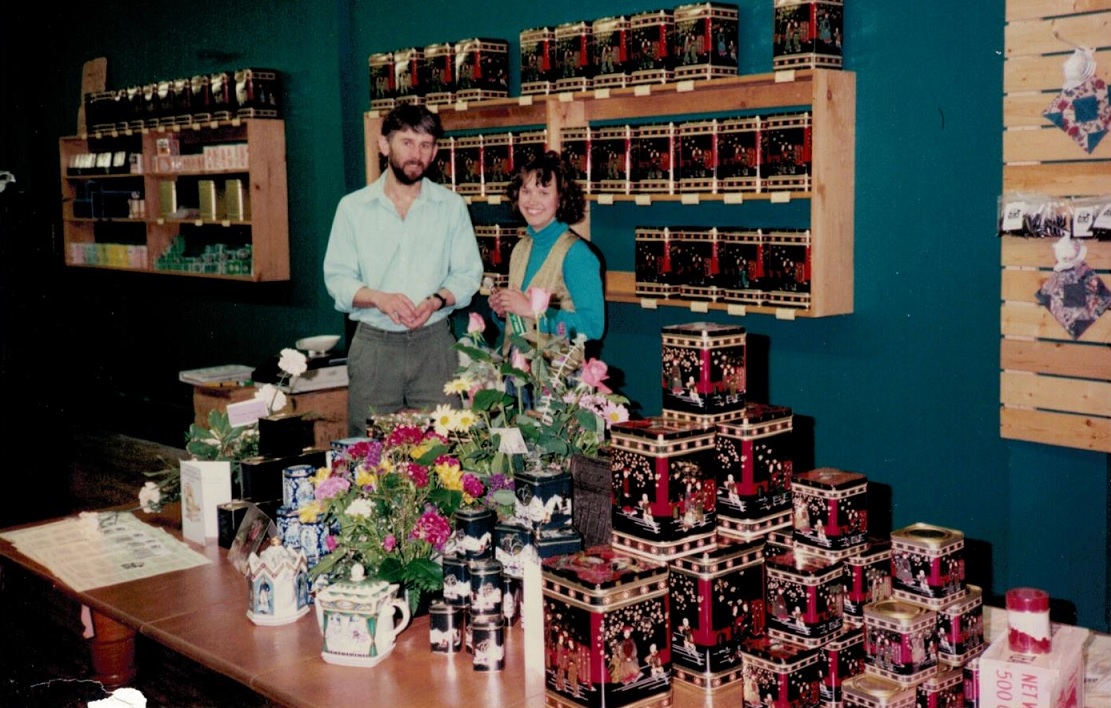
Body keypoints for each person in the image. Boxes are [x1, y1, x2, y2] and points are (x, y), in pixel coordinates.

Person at [324, 104, 483, 435]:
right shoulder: (353, 209)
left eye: (426, 145)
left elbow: (468, 274)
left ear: (436, 151)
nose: (417, 154)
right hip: (374, 347)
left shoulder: (450, 206)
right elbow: (337, 279)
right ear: (384, 145)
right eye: (407, 142)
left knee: (446, 446)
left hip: (435, 346)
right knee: (367, 454)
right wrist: (380, 299)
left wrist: (436, 300)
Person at [488, 151, 604, 351]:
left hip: (557, 377)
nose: (532, 201)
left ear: (560, 198)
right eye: (526, 191)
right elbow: (520, 323)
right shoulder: (520, 248)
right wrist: (505, 312)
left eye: (543, 193)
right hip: (515, 372)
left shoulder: (577, 254)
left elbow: (593, 327)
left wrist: (533, 310)